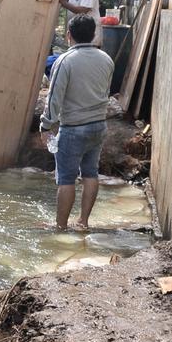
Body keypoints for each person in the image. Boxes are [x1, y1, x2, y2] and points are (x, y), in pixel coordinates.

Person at [40, 15, 114, 231]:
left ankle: (60, 227)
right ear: (93, 35)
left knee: (66, 179)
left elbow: (54, 98)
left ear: (68, 35)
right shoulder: (106, 59)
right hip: (99, 126)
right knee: (90, 174)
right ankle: (83, 221)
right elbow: (106, 92)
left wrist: (45, 126)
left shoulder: (65, 61)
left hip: (73, 128)